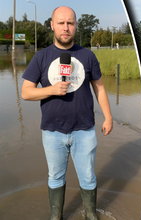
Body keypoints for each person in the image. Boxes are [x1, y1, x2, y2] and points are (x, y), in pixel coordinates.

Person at [21, 6, 112, 220]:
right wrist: (52, 90)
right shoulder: (41, 57)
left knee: (88, 177)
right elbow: (26, 92)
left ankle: (90, 214)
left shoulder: (87, 56)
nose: (65, 27)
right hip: (52, 132)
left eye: (70, 23)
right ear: (52, 25)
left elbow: (99, 87)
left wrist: (108, 117)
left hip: (84, 129)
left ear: (76, 26)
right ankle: (56, 216)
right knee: (55, 177)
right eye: (61, 23)